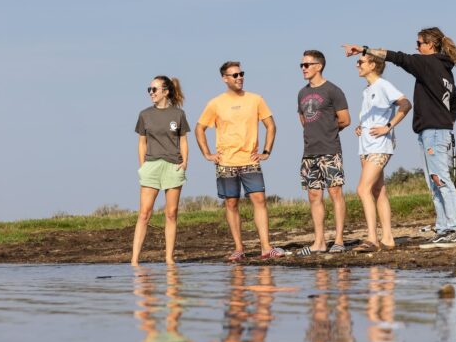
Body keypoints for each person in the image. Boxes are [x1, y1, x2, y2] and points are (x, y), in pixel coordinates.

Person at [344, 26, 456, 249]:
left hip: (435, 131)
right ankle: (443, 228)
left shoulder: (428, 63)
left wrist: (364, 48)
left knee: (440, 179)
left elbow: (396, 57)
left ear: (430, 45)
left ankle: (455, 228)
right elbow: (455, 100)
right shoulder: (444, 69)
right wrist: (449, 120)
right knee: (433, 181)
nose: (416, 48)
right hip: (434, 130)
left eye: (419, 43)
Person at [195, 61, 284, 261]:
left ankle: (266, 247)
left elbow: (271, 125)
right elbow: (199, 128)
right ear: (224, 78)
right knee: (231, 203)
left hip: (250, 160)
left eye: (241, 73)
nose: (239, 78)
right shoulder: (215, 103)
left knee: (259, 200)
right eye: (234, 75)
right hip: (226, 162)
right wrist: (207, 154)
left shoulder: (256, 99)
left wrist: (266, 151)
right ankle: (239, 248)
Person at [351, 53, 411, 252]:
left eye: (360, 62)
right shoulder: (367, 90)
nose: (357, 65)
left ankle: (372, 239)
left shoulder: (383, 85)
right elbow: (374, 115)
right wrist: (361, 126)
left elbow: (405, 104)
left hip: (380, 145)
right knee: (378, 190)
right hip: (365, 146)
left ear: (373, 64)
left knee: (362, 189)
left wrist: (388, 126)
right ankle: (388, 238)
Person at [297, 50, 351, 255]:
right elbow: (303, 119)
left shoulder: (333, 90)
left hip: (330, 150)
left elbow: (345, 119)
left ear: (318, 66)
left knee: (335, 192)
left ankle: (338, 240)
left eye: (307, 64)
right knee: (313, 195)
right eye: (301, 65)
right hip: (309, 151)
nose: (303, 68)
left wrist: (328, 130)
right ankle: (319, 242)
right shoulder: (302, 93)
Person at [131, 76, 189, 266]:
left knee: (171, 213)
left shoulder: (178, 115)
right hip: (152, 166)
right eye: (149, 89)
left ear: (166, 91)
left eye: (154, 89)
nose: (151, 93)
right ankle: (134, 260)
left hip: (173, 166)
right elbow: (142, 142)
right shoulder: (144, 114)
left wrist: (184, 162)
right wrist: (143, 166)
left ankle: (169, 258)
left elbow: (183, 140)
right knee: (144, 213)